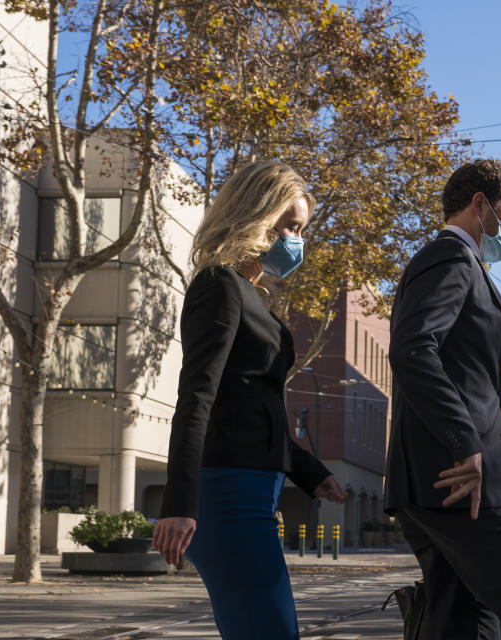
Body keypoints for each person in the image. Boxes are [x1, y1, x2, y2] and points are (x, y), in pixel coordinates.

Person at [153, 159, 347, 640]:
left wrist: (307, 470)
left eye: (301, 229)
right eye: (291, 226)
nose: (297, 240)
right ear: (258, 216)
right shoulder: (218, 287)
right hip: (227, 492)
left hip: (255, 488)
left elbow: (252, 401)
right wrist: (179, 503)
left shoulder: (253, 295)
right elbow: (198, 394)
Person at [384, 158, 501, 640]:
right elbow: (412, 349)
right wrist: (464, 440)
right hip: (461, 479)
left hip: (440, 480)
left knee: (464, 625)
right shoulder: (450, 257)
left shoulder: (462, 264)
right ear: (478, 205)